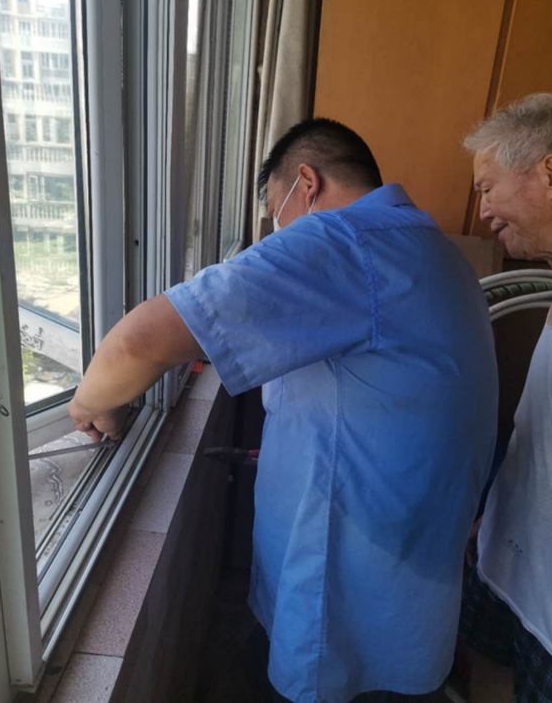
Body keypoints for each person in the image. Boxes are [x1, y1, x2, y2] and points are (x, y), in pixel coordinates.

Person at [69, 118, 498, 703]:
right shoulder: (431, 247)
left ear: (307, 183)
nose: (276, 234)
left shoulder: (346, 242)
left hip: (349, 586)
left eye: (277, 212)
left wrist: (90, 404)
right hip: (411, 571)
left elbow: (138, 343)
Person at [459, 93, 552, 703]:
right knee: (487, 672)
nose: (484, 208)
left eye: (488, 187)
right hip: (510, 554)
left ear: (550, 172)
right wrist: (497, 513)